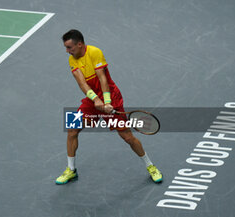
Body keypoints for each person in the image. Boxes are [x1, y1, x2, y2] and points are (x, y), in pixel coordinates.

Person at [56, 29, 162, 184]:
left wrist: (106, 101)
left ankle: (151, 166)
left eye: (69, 47)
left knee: (127, 137)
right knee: (72, 129)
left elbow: (102, 77)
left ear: (79, 44)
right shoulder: (73, 59)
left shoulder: (95, 52)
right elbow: (82, 83)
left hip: (111, 97)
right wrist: (95, 100)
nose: (67, 51)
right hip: (92, 100)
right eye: (66, 48)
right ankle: (71, 170)